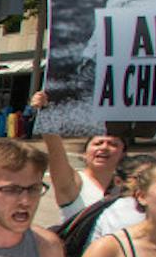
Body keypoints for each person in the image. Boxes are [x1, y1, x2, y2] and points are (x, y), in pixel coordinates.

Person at [29, 93, 125, 221]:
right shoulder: (74, 183)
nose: (104, 147)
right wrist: (45, 111)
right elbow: (54, 147)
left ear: (123, 154)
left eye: (113, 144)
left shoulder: (130, 185)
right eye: (98, 143)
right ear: (85, 153)